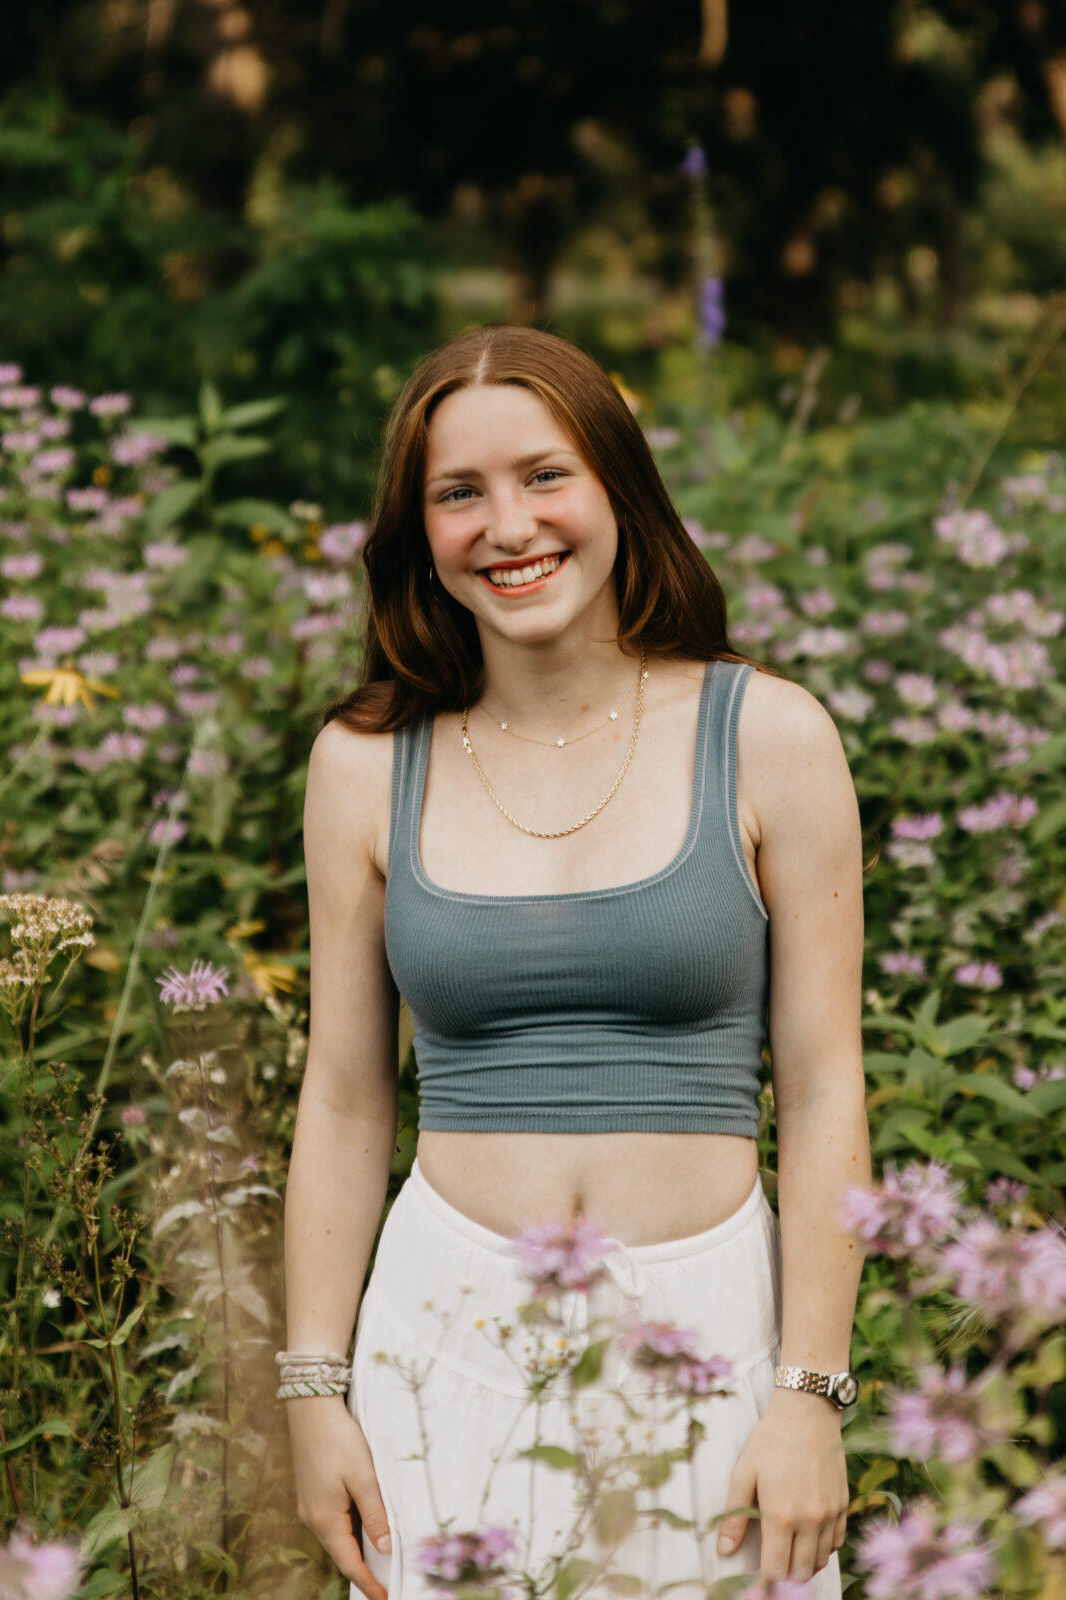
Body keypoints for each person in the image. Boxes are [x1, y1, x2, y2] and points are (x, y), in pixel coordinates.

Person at [281, 323, 871, 1600]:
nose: (507, 525)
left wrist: (808, 1392)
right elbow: (341, 1093)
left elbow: (825, 1088)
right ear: (417, 530)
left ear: (617, 487)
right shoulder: (363, 764)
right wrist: (313, 1387)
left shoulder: (770, 737)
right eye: (458, 492)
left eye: (543, 475)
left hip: (709, 1337)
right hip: (444, 1341)